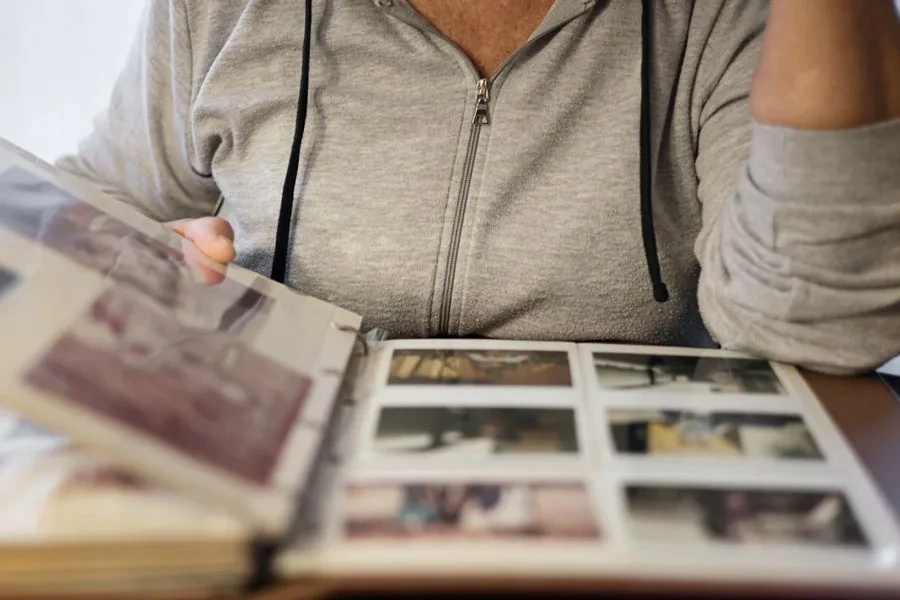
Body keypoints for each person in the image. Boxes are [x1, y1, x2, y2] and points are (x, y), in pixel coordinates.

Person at [57, 0, 900, 374]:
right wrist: (136, 267)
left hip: (616, 537)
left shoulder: (730, 15)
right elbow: (91, 208)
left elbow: (820, 327)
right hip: (288, 515)